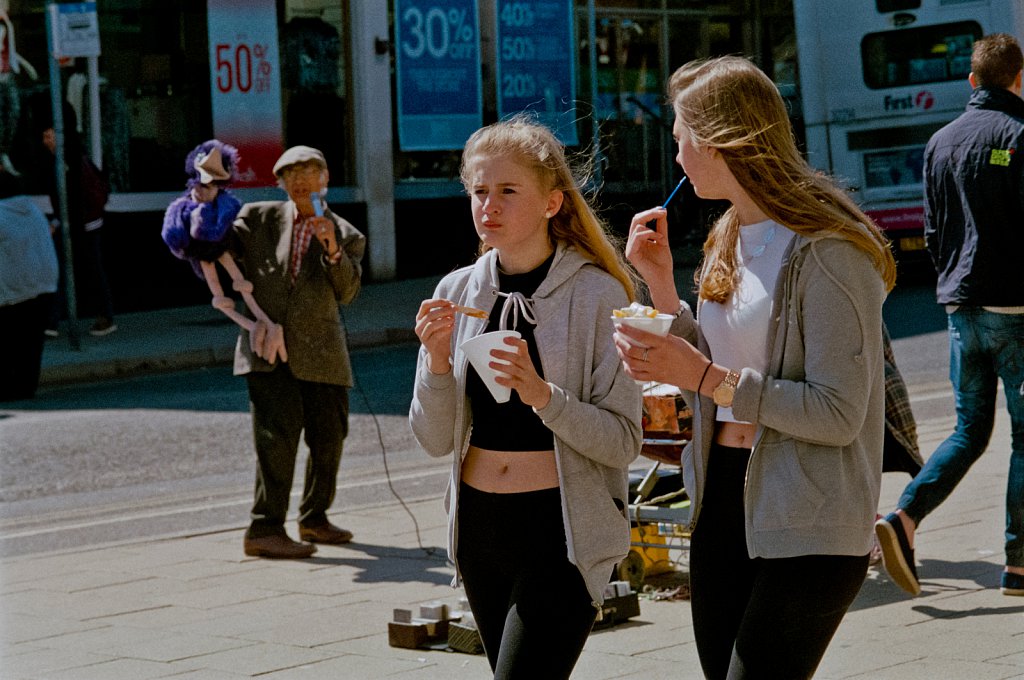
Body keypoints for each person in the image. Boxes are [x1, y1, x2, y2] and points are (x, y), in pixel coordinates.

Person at [614, 56, 897, 679]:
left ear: (721, 140)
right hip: (722, 498)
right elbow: (718, 362)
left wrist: (703, 378)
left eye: (681, 138)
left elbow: (838, 412)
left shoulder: (829, 251)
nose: (678, 157)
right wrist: (660, 289)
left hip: (809, 517)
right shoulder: (728, 234)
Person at [409, 116, 642, 677]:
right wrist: (438, 363)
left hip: (562, 532)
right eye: (479, 191)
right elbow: (434, 438)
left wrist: (543, 395)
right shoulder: (458, 291)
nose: (489, 205)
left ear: (552, 202)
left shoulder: (597, 293)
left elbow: (623, 441)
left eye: (508, 191)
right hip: (480, 530)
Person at [874, 33, 1024, 599]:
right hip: (1016, 306)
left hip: (960, 306)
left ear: (971, 81)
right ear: (1017, 78)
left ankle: (903, 518)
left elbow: (934, 231)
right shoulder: (1020, 135)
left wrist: (958, 280)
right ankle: (1019, 565)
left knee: (969, 430)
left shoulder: (939, 142)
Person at [230, 145, 365, 559]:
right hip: (269, 348)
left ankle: (314, 517)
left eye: (309, 170)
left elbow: (347, 292)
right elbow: (218, 251)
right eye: (290, 173)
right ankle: (265, 528)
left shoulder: (345, 233)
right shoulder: (256, 219)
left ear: (325, 179)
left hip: (322, 353)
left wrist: (332, 250)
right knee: (275, 439)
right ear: (280, 182)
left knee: (330, 437)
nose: (300, 179)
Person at [162, 140, 285, 356]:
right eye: (197, 185)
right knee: (216, 290)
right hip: (200, 253)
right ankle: (254, 326)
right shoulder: (184, 206)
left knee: (240, 282)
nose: (200, 191)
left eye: (207, 187)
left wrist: (204, 224)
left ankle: (269, 326)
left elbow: (223, 226)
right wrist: (188, 232)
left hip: (220, 248)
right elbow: (172, 233)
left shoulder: (224, 204)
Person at [40, 114, 116, 337]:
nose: (46, 141)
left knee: (86, 271)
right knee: (76, 270)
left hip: (83, 226)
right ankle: (54, 320)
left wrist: (58, 221)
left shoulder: (69, 162)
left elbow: (73, 198)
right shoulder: (65, 160)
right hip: (80, 224)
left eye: (49, 136)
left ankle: (101, 316)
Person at [0, 166, 58, 400]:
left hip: (14, 290)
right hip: (44, 285)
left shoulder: (2, 213)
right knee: (32, 342)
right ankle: (26, 386)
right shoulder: (32, 210)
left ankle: (7, 387)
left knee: (7, 342)